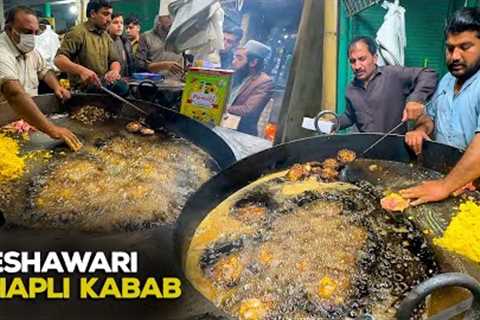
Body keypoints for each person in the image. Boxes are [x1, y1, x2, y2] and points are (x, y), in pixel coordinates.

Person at [401, 8, 480, 205]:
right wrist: (420, 129)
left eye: (465, 47)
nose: (455, 56)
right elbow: (430, 117)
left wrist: (445, 186)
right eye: (450, 48)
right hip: (446, 177)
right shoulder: (446, 80)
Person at [0, 6, 81, 151]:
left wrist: (57, 87)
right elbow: (14, 94)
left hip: (29, 118)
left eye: (34, 32)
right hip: (5, 121)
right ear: (9, 28)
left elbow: (44, 70)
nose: (31, 37)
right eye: (26, 32)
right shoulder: (2, 52)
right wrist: (52, 130)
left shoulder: (28, 49)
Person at [337, 36, 438, 134]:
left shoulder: (393, 75)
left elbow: (428, 74)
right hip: (367, 148)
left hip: (395, 148)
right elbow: (350, 116)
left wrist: (415, 99)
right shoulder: (351, 89)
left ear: (374, 58)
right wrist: (332, 124)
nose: (357, 66)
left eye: (362, 59)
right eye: (353, 61)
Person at [54, 0, 121, 89]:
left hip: (102, 87)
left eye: (110, 15)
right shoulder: (77, 33)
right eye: (105, 14)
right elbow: (59, 60)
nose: (109, 19)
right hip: (82, 90)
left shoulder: (105, 36)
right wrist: (82, 71)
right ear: (93, 13)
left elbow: (114, 60)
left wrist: (114, 71)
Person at [227, 40, 273, 136]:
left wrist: (222, 108)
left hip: (241, 133)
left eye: (239, 59)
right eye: (234, 57)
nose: (233, 62)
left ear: (253, 62)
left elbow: (248, 110)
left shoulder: (264, 82)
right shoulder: (236, 74)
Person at [135, 0, 183, 76]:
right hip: (153, 84)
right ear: (160, 18)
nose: (172, 20)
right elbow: (139, 65)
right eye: (168, 17)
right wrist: (163, 65)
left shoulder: (180, 37)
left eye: (174, 16)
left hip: (177, 84)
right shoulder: (146, 37)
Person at [107, 12, 135, 77]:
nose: (119, 25)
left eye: (121, 23)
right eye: (115, 22)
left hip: (124, 80)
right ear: (108, 25)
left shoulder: (125, 42)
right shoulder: (104, 41)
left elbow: (129, 66)